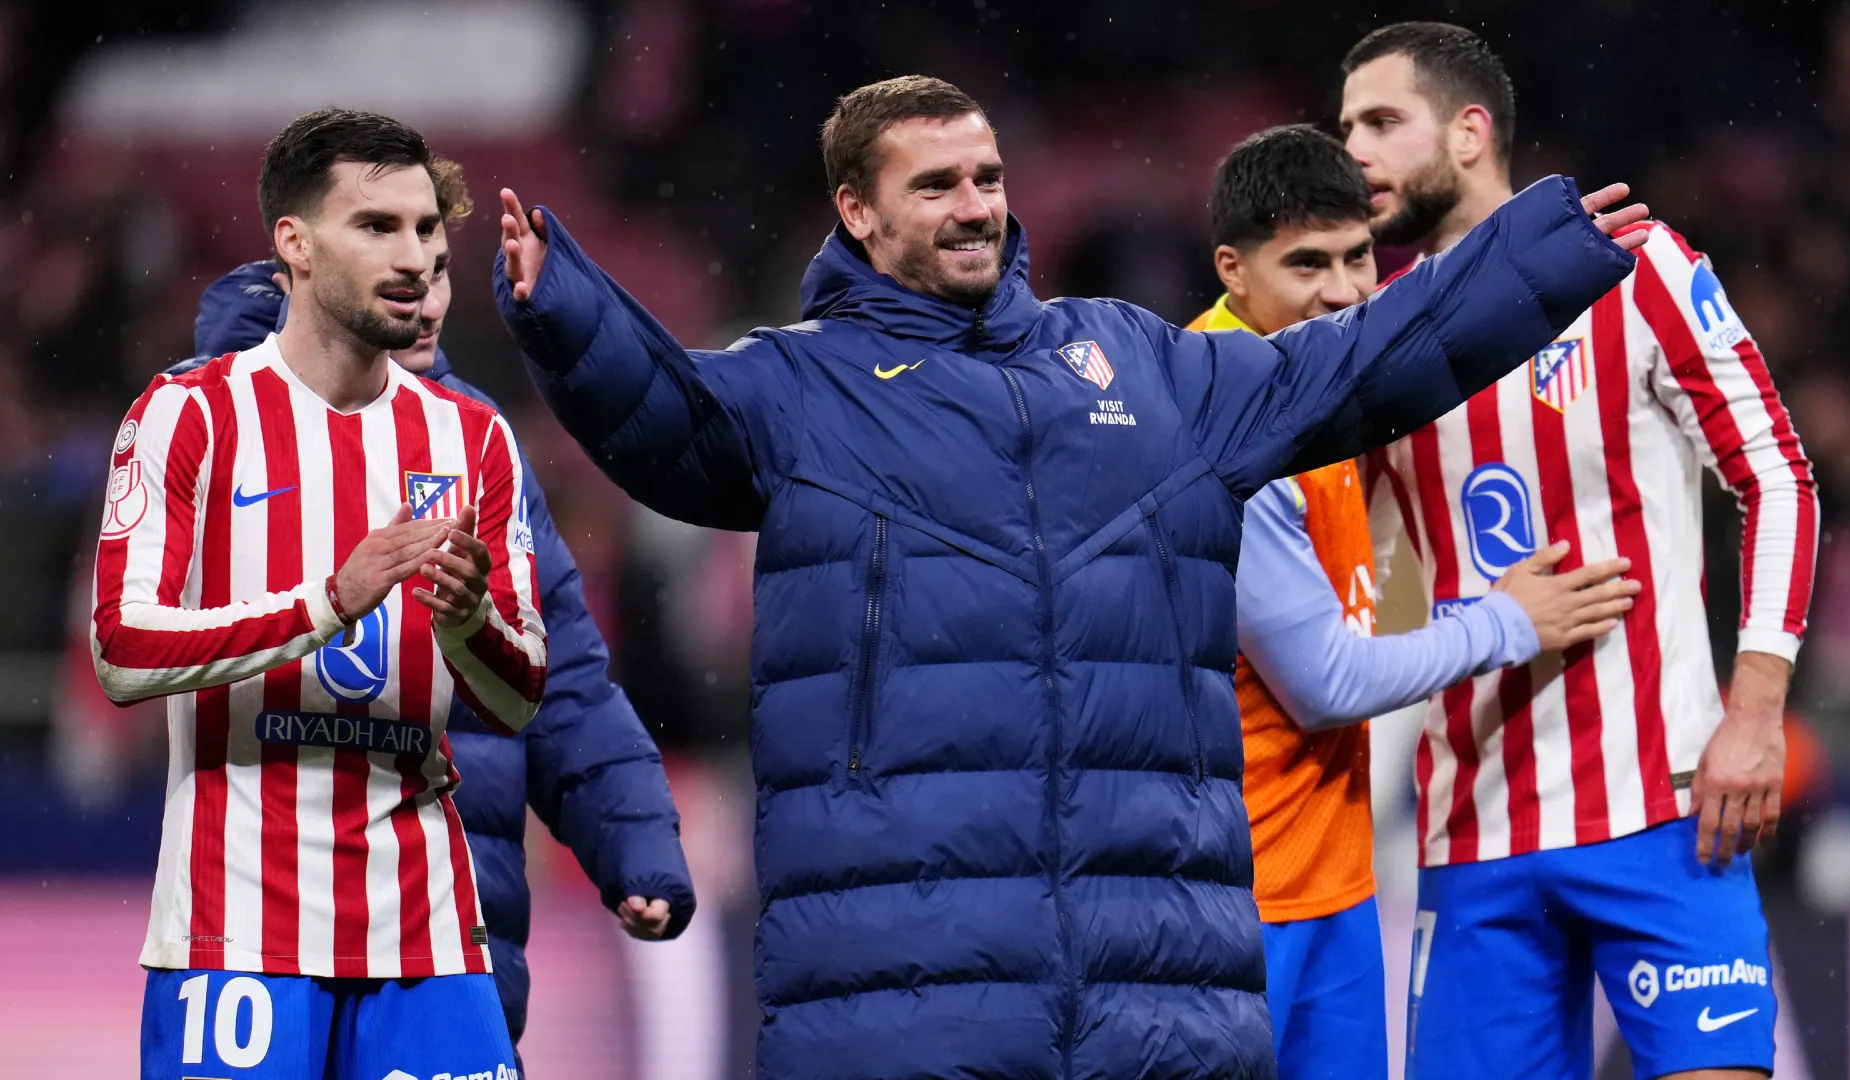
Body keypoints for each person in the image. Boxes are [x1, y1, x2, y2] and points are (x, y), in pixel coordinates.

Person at [492, 74, 1648, 1079]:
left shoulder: (1139, 365)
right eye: (935, 184)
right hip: (900, 989)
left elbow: (1362, 364)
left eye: (987, 177)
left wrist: (1536, 253)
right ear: (857, 211)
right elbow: (665, 420)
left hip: (1153, 981)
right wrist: (567, 310)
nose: (974, 205)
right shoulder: (798, 390)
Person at [1338, 23, 1819, 1080]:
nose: (1354, 152)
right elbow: (1344, 559)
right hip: (1472, 830)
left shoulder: (1634, 266)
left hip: (1666, 804)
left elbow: (1776, 474)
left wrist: (1755, 709)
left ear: (1469, 133)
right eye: (1345, 129)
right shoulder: (1371, 336)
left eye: (1380, 122)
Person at [176, 151, 696, 1054]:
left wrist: (637, 846)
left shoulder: (476, 444)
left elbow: (562, 679)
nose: (423, 284)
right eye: (385, 248)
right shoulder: (214, 430)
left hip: (451, 943)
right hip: (265, 934)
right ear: (306, 270)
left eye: (439, 260)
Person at [94, 108, 546, 1079]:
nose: (413, 256)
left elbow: (520, 697)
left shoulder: (473, 438)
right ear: (294, 245)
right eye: (376, 226)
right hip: (236, 933)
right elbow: (122, 650)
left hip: (428, 934)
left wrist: (469, 622)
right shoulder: (189, 414)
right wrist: (328, 602)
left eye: (425, 230)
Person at [1190, 124, 1641, 1079]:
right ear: (1233, 270)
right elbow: (1324, 683)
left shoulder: (1313, 392)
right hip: (1235, 895)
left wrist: (1548, 244)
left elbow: (1434, 324)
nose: (1344, 291)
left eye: (1358, 257)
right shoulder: (1220, 419)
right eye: (1307, 264)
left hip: (1330, 877)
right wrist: (1508, 622)